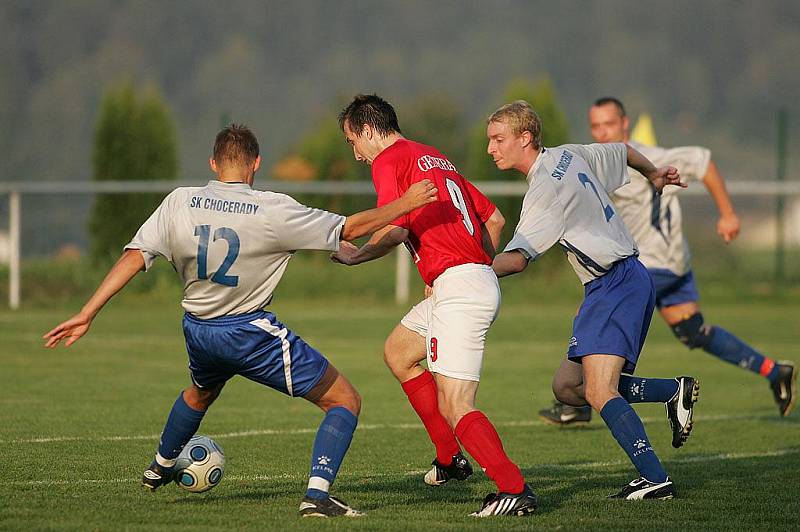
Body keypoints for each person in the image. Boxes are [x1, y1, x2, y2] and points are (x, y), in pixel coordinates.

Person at [43, 124, 439, 518]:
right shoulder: (272, 208)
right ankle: (317, 496)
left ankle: (159, 467)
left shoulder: (179, 201)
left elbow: (134, 256)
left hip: (198, 329)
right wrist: (405, 202)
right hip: (248, 333)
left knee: (200, 393)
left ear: (214, 163)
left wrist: (87, 312)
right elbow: (350, 227)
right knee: (345, 400)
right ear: (256, 164)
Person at [332, 94, 536, 517]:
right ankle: (449, 457)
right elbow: (494, 219)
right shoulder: (435, 157)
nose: (356, 154)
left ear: (369, 130)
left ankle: (513, 489)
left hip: (460, 288)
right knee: (399, 352)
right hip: (461, 283)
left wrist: (357, 255)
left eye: (354, 141)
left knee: (456, 402)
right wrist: (470, 264)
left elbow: (393, 226)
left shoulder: (389, 160)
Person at [540, 97, 797, 426]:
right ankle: (775, 372)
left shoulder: (652, 157)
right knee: (693, 331)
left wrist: (728, 214)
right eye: (596, 126)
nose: (602, 133)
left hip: (653, 262)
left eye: (609, 124)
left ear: (625, 124)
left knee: (593, 311)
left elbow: (703, 162)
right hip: (669, 263)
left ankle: (577, 403)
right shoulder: (598, 163)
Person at [488, 100, 690, 500]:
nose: (490, 149)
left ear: (524, 138)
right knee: (567, 386)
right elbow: (623, 151)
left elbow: (515, 261)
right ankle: (671, 390)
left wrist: (460, 270)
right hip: (613, 284)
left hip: (616, 282)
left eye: (498, 139)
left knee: (598, 391)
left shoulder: (545, 189)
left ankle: (655, 478)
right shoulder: (567, 154)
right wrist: (653, 173)